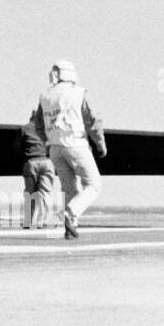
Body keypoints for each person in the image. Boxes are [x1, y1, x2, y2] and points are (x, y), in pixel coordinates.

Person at [36, 60, 105, 240]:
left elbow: (38, 125)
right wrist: (100, 144)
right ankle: (70, 213)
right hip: (75, 144)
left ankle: (71, 227)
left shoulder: (45, 96)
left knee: (69, 188)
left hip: (55, 148)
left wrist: (49, 141)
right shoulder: (79, 92)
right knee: (94, 185)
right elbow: (93, 120)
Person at [19, 108, 56, 228]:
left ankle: (28, 221)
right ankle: (44, 221)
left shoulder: (25, 128)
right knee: (45, 192)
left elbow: (17, 147)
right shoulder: (48, 129)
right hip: (46, 161)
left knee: (30, 192)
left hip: (31, 161)